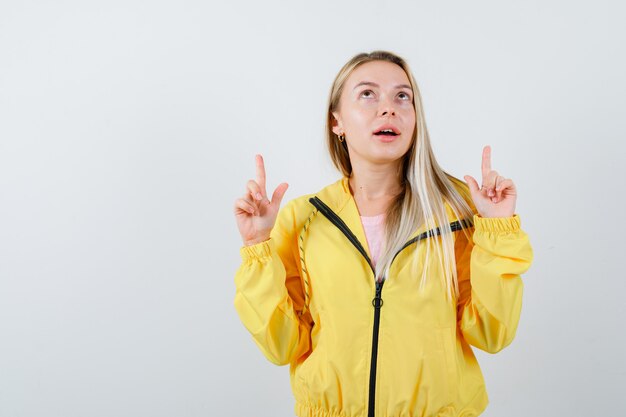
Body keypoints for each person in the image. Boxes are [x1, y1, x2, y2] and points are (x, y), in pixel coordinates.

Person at [232, 50, 533, 417]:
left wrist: (496, 229)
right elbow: (282, 344)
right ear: (336, 122)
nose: (388, 108)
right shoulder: (303, 220)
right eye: (367, 94)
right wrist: (256, 245)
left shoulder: (457, 214)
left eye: (402, 96)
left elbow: (492, 333)